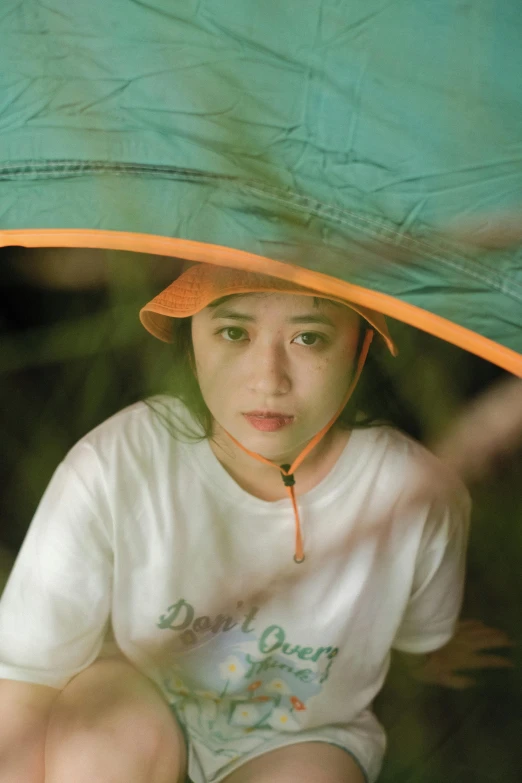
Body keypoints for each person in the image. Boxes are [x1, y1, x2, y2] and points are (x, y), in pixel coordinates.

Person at [0, 263, 471, 783]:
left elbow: (423, 639)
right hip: (138, 693)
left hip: (300, 733)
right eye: (233, 332)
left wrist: (439, 655)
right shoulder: (117, 461)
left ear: (360, 349)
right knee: (100, 747)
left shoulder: (416, 493)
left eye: (309, 338)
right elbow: (25, 673)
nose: (268, 379)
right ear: (190, 343)